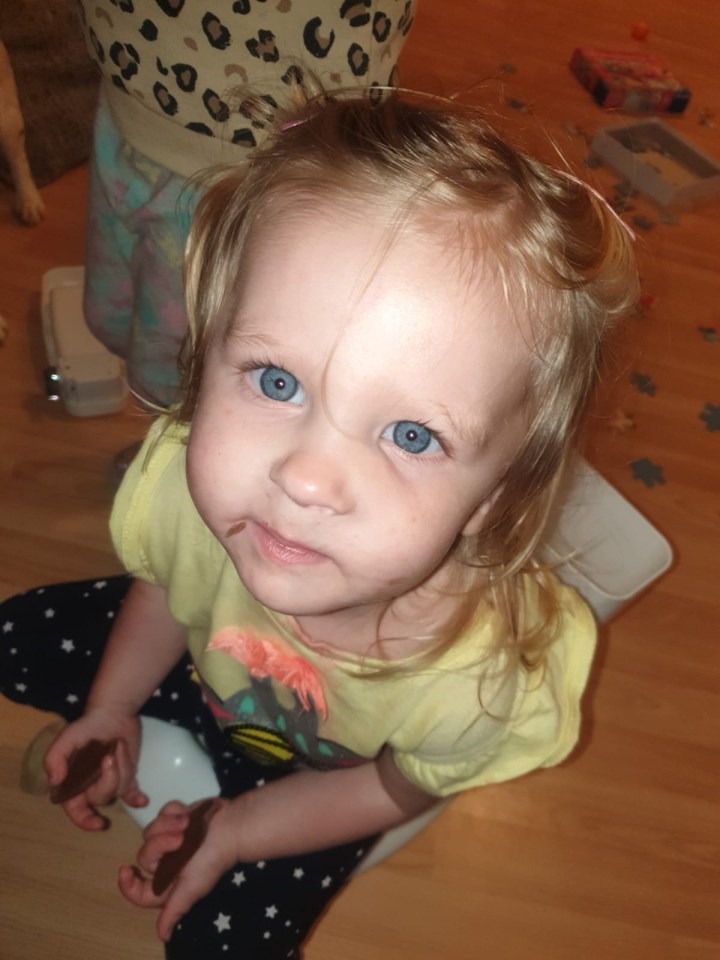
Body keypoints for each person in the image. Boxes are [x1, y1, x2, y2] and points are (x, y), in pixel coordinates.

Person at [0, 90, 638, 960]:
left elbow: (392, 788)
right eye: (274, 381)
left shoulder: (480, 683)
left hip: (321, 778)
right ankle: (134, 732)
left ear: (498, 499)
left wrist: (236, 828)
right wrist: (113, 708)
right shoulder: (198, 505)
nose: (303, 477)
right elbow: (168, 592)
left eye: (411, 435)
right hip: (200, 659)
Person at [76, 0, 417, 410]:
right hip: (126, 94)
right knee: (110, 316)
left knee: (184, 381)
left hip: (278, 163)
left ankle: (177, 457)